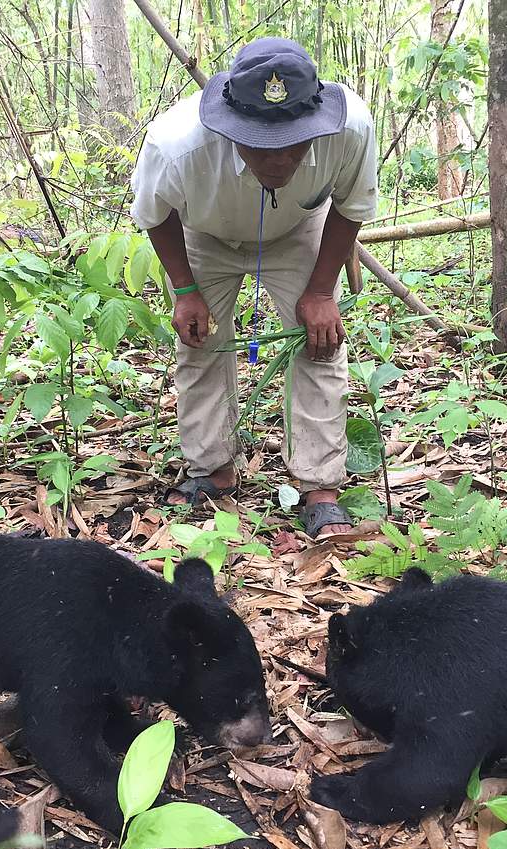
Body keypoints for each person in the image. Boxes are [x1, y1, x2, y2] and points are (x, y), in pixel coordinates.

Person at [131, 37, 377, 539]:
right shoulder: (176, 144)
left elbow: (352, 204)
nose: (280, 160)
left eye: (294, 143)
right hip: (204, 234)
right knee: (199, 343)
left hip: (298, 230)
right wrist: (185, 289)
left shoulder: (350, 127)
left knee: (321, 344)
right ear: (229, 124)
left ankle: (319, 488)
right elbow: (154, 214)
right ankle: (212, 468)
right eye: (262, 144)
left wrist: (322, 291)